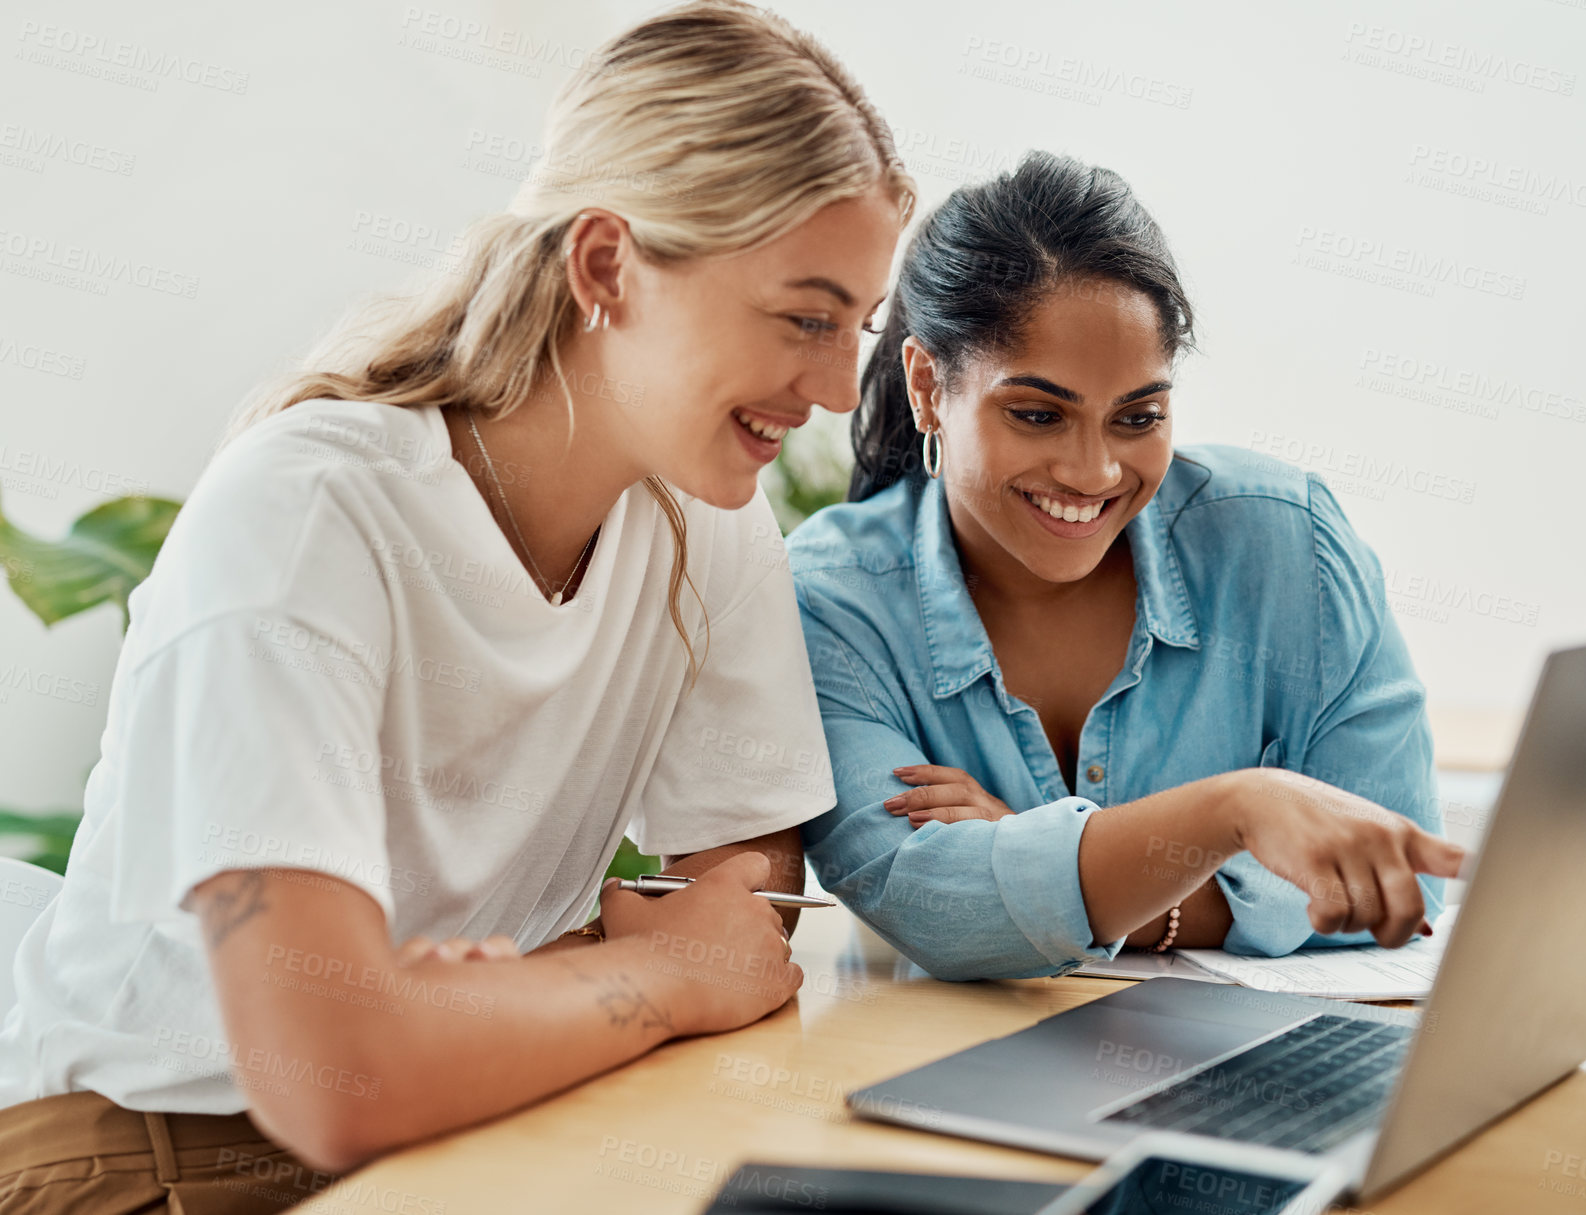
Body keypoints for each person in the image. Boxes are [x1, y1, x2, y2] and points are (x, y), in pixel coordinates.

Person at [0, 2, 912, 1209]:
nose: (844, 389)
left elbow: (745, 899)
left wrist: (479, 1006)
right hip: (150, 1162)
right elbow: (328, 1072)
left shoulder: (708, 519)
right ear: (605, 267)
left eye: (859, 327)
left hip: (473, 1122)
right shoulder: (310, 515)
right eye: (804, 318)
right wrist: (641, 976)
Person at [786, 151, 1465, 982]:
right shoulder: (833, 596)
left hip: (1249, 1078)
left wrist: (1039, 856)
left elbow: (1400, 890)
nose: (1094, 472)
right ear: (928, 385)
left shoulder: (1291, 544)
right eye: (1038, 414)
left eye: (1137, 415)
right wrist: (1235, 813)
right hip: (953, 1070)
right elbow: (931, 906)